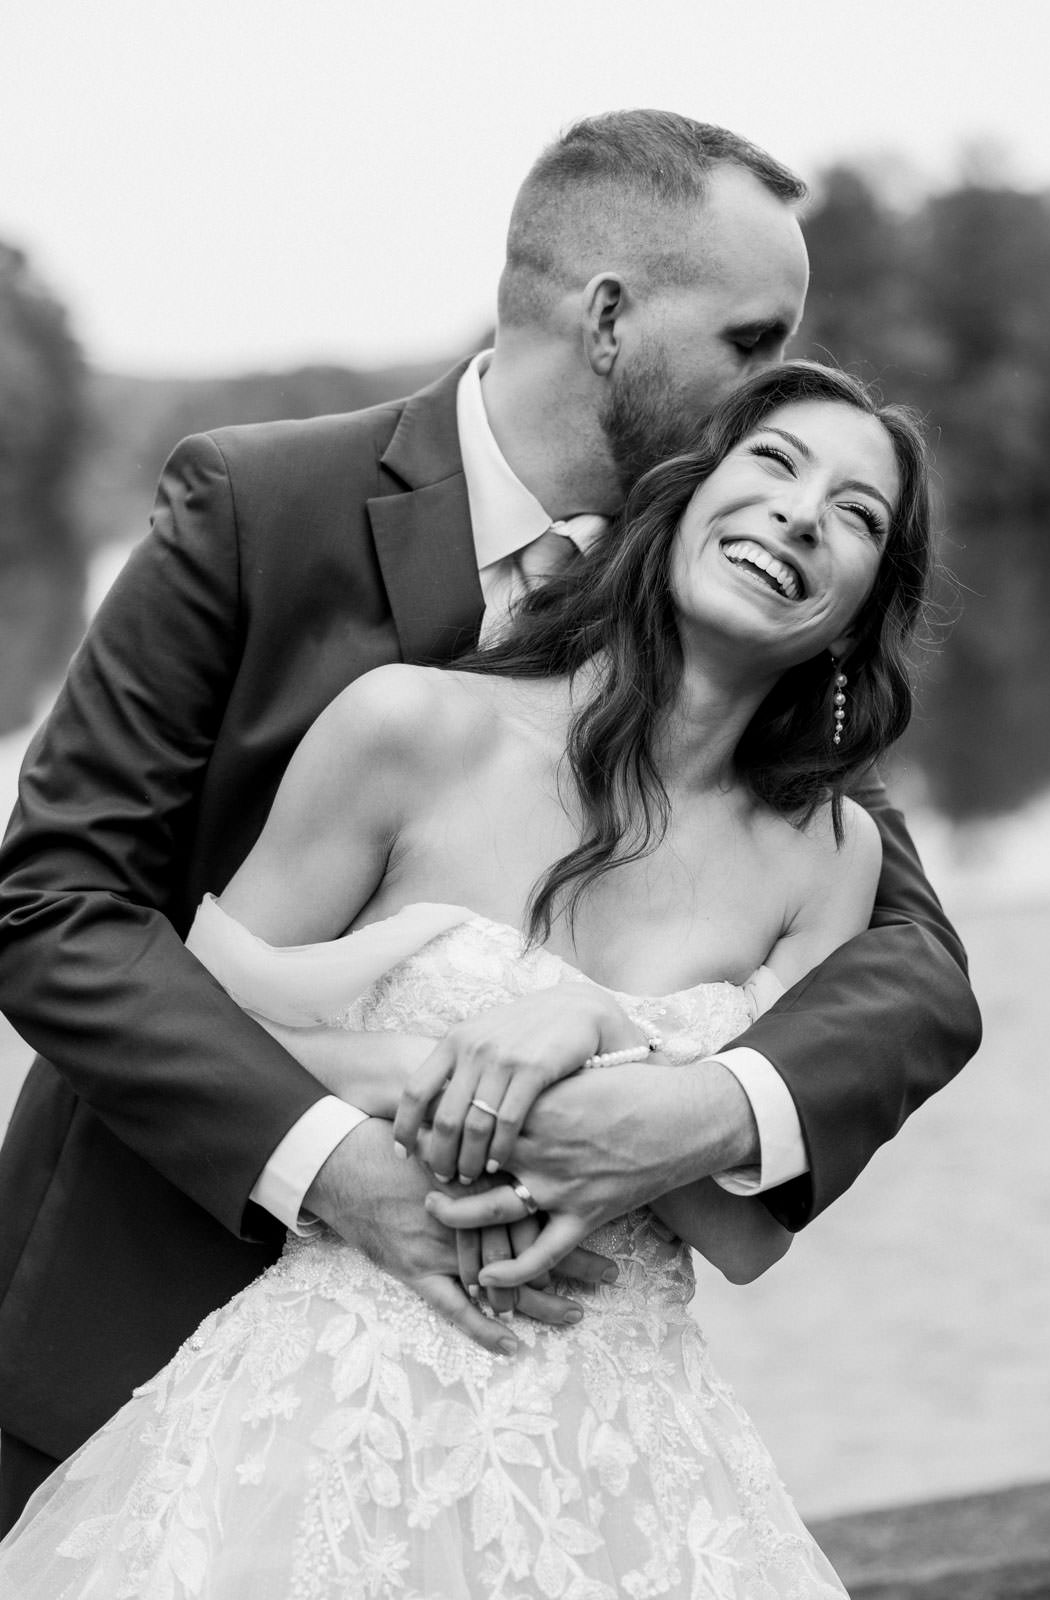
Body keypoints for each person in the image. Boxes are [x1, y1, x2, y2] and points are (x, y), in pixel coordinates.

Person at [0, 111, 980, 1530]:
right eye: (753, 343)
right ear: (607, 319)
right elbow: (50, 907)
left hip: (558, 1434)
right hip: (154, 1338)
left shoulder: (750, 635)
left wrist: (692, 1100)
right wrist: (341, 1165)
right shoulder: (260, 510)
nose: (777, 396)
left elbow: (922, 972)